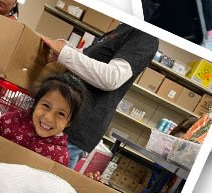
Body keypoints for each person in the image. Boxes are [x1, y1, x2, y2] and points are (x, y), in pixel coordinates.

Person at [38, 23, 161, 167]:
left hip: (76, 126)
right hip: (64, 118)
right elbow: (89, 58)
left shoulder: (146, 36)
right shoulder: (124, 28)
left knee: (45, 178)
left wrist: (65, 53)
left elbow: (111, 78)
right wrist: (64, 49)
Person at [0, 72, 88, 165]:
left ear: (69, 122)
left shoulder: (59, 157)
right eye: (46, 106)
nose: (48, 118)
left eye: (61, 114)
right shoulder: (10, 121)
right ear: (36, 104)